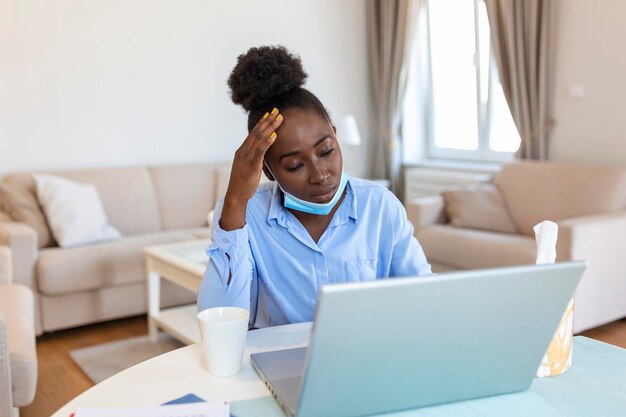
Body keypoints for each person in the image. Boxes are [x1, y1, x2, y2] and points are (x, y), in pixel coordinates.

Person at [197, 45, 431, 328]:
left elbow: (424, 298)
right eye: (295, 166)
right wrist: (235, 200)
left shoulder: (379, 206)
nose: (320, 175)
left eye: (326, 151)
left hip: (365, 359)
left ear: (335, 133)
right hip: (277, 364)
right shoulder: (246, 215)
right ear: (268, 171)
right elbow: (218, 324)